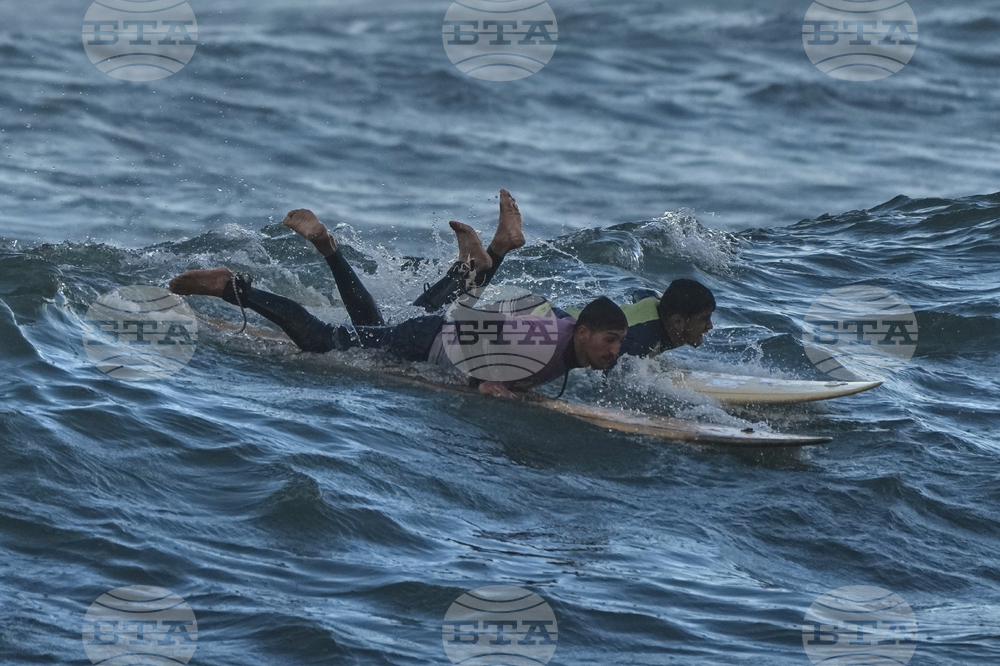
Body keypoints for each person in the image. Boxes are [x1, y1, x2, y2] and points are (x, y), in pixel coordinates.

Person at [168, 204, 628, 399]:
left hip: (442, 330)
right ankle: (232, 288)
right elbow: (486, 379)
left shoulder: (565, 326)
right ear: (584, 333)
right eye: (609, 340)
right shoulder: (544, 349)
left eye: (619, 343)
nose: (615, 351)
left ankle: (491, 256)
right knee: (322, 342)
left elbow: (517, 316)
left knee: (376, 326)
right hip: (427, 341)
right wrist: (495, 387)